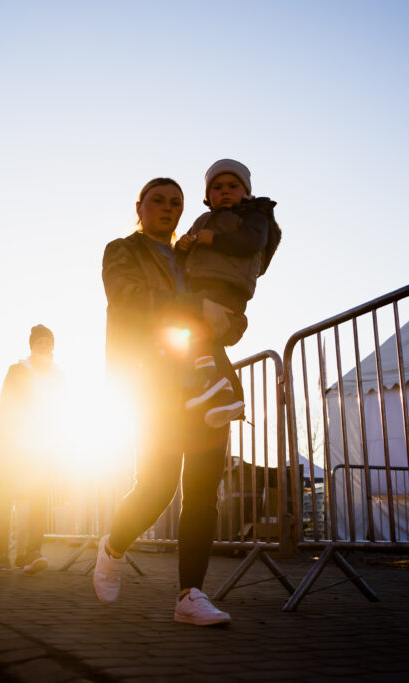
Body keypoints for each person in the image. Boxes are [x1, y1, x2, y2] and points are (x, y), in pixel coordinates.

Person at [94, 177, 235, 626]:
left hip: (207, 379)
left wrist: (231, 320)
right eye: (158, 200)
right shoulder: (122, 250)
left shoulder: (193, 256)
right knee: (157, 487)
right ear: (139, 207)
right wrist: (196, 308)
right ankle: (113, 546)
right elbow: (128, 298)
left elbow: (227, 310)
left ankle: (190, 595)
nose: (168, 207)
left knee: (203, 491)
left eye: (176, 202)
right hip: (154, 381)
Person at [175, 159, 281, 428]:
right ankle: (222, 395)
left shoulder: (254, 216)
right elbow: (184, 258)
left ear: (246, 191)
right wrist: (182, 246)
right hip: (201, 286)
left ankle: (214, 384)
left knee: (198, 328)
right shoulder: (202, 220)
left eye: (232, 186)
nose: (224, 191)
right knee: (198, 334)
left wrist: (216, 239)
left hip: (228, 288)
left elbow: (252, 241)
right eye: (217, 187)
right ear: (207, 195)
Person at [0, 324, 65, 574]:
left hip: (40, 449)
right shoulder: (17, 371)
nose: (44, 346)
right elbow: (2, 407)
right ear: (32, 346)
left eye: (48, 343)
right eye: (40, 342)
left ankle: (32, 553)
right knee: (5, 499)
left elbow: (63, 414)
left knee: (39, 501)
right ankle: (3, 555)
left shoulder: (58, 376)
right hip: (11, 447)